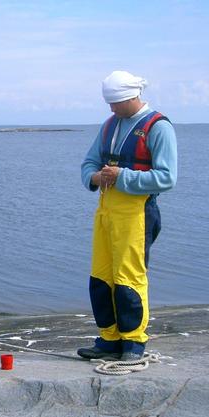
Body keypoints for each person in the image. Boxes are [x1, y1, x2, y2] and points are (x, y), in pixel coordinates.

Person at [78, 70, 177, 362]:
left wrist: (123, 177)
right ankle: (109, 339)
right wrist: (95, 177)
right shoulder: (110, 125)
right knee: (101, 276)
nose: (111, 108)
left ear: (132, 97)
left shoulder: (158, 127)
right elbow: (88, 162)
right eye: (109, 103)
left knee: (129, 278)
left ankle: (133, 342)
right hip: (107, 211)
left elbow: (167, 177)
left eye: (116, 103)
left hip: (137, 213)